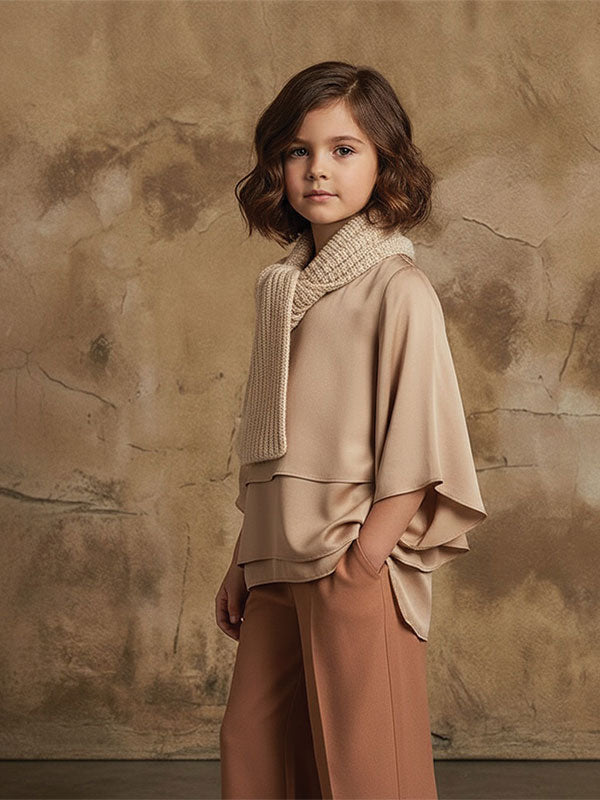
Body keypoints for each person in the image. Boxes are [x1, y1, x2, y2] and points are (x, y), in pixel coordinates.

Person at [216, 60, 488, 800]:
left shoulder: (399, 289)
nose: (317, 169)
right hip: (275, 559)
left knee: (366, 771)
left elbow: (421, 444)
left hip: (348, 557)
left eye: (344, 149)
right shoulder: (283, 292)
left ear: (384, 163)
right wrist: (244, 556)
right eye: (298, 150)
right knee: (253, 747)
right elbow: (273, 446)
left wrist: (366, 559)